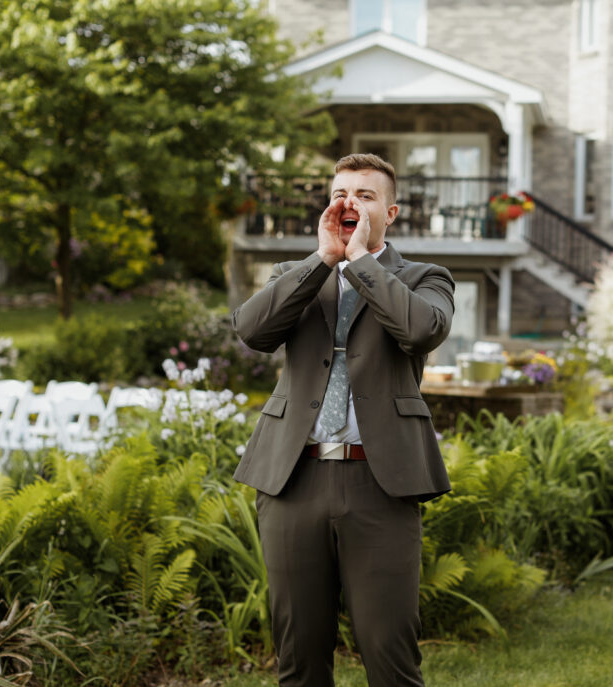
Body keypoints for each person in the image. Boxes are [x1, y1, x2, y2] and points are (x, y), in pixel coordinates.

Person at [231, 153, 455, 686]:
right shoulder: (295, 274)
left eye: (365, 195)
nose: (348, 203)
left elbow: (422, 331)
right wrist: (324, 261)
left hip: (382, 483)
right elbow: (252, 330)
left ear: (392, 212)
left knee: (390, 657)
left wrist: (360, 264)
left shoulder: (426, 278)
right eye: (339, 194)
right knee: (299, 659)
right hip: (293, 480)